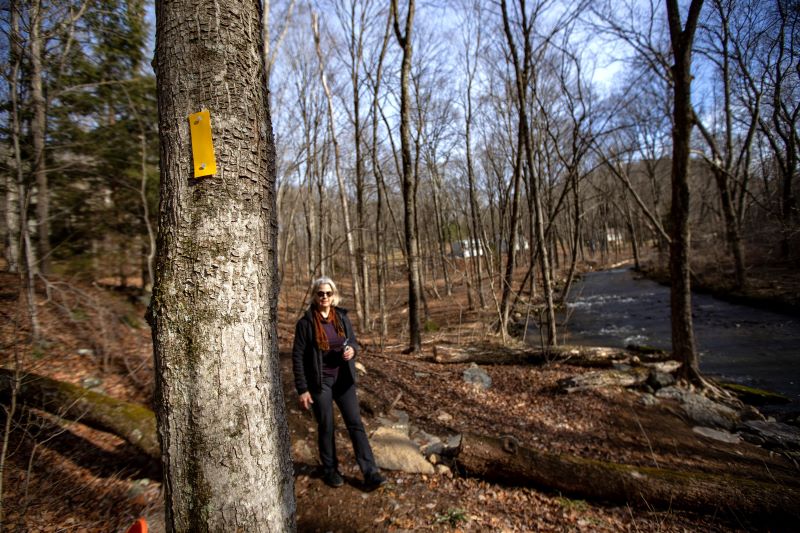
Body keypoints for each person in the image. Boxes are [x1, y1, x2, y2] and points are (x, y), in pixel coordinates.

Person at [292, 276, 386, 489]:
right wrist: (303, 389)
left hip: (343, 379)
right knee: (327, 426)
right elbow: (297, 356)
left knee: (356, 424)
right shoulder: (306, 323)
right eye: (320, 293)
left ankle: (370, 472)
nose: (324, 297)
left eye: (328, 293)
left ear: (333, 296)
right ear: (315, 296)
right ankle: (330, 470)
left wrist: (352, 350)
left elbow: (353, 341)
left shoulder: (341, 317)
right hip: (320, 382)